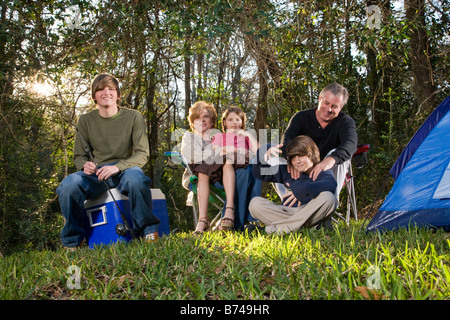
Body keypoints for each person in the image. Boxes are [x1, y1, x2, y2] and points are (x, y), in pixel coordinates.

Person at [57, 74, 160, 249]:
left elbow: (142, 154)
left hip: (125, 170)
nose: (106, 92)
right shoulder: (85, 120)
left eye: (111, 89)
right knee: (68, 184)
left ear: (118, 95)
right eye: (101, 89)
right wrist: (84, 165)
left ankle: (148, 231)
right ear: (94, 95)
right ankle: (72, 242)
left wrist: (117, 167)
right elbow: (79, 156)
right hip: (97, 175)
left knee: (137, 178)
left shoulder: (133, 117)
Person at [181, 102, 261, 233]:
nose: (202, 120)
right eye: (197, 117)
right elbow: (192, 155)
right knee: (206, 169)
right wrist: (219, 151)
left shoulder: (217, 137)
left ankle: (242, 220)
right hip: (200, 179)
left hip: (223, 178)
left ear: (212, 121)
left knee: (247, 169)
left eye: (206, 116)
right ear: (192, 121)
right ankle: (205, 219)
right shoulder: (189, 137)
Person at [270, 83, 357, 198]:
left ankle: (329, 204)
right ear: (320, 99)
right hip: (301, 168)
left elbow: (350, 144)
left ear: (340, 108)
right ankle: (290, 205)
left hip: (327, 172)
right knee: (273, 163)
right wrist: (290, 159)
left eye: (334, 106)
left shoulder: (345, 122)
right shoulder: (301, 117)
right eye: (326, 103)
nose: (329, 109)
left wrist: (330, 160)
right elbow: (287, 140)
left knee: (339, 155)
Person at [249, 136, 338, 234]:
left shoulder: (321, 171)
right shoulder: (288, 171)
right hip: (288, 213)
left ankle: (269, 231)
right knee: (255, 204)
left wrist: (304, 189)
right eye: (293, 157)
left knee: (329, 197)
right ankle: (305, 226)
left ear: (312, 154)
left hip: (310, 212)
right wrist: (265, 148)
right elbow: (259, 172)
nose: (297, 161)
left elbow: (331, 185)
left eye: (301, 155)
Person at [211, 106, 259, 229]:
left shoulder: (245, 137)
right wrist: (233, 150)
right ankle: (244, 222)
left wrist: (247, 134)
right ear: (225, 122)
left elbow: (259, 151)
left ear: (242, 122)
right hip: (223, 176)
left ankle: (242, 220)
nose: (234, 122)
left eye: (238, 119)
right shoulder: (220, 136)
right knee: (244, 171)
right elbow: (215, 151)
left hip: (244, 170)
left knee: (255, 170)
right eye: (230, 119)